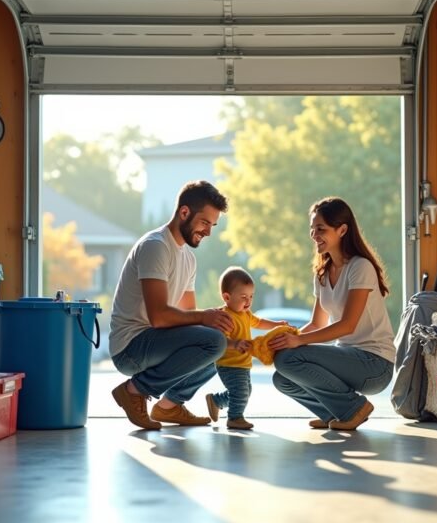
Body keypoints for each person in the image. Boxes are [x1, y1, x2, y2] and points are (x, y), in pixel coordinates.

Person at [109, 180, 233, 430]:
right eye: (205, 222)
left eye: (213, 225)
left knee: (223, 343)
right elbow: (160, 317)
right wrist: (204, 318)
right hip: (130, 348)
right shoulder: (155, 246)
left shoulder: (188, 257)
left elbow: (188, 315)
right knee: (214, 341)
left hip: (155, 342)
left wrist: (216, 321)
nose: (208, 232)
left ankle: (169, 406)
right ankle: (134, 391)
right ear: (184, 212)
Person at [268, 197, 395, 431]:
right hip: (347, 356)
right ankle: (334, 413)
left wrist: (297, 342)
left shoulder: (360, 267)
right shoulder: (323, 273)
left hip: (375, 364)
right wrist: (282, 341)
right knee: (282, 377)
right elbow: (316, 324)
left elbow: (347, 326)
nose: (314, 234)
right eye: (312, 229)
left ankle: (354, 408)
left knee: (289, 360)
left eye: (321, 229)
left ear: (342, 230)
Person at [205, 266, 292, 430]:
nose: (248, 301)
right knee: (240, 392)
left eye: (251, 296)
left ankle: (216, 401)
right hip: (229, 363)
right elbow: (220, 340)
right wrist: (235, 344)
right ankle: (235, 418)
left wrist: (276, 324)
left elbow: (259, 322)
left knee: (244, 391)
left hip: (243, 363)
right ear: (227, 297)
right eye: (243, 297)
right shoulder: (225, 317)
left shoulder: (246, 314)